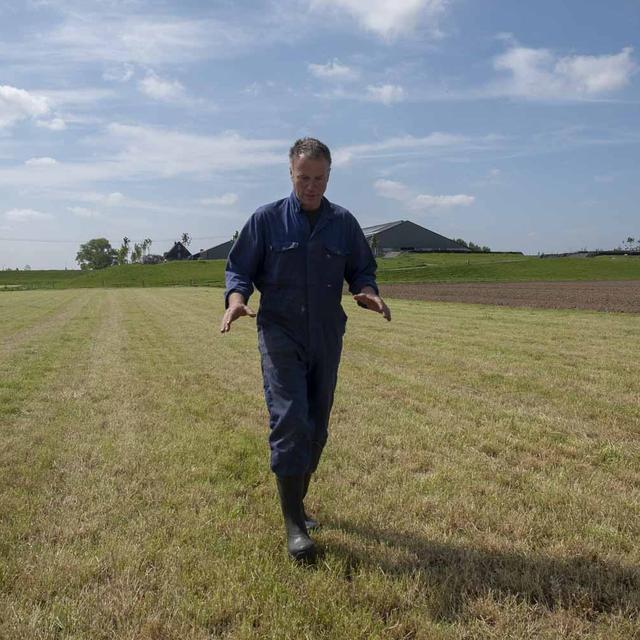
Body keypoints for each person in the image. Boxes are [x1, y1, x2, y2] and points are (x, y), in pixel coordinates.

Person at [220, 137, 391, 561]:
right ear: (291, 174)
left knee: (316, 425)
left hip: (326, 333)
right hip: (280, 332)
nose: (311, 186)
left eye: (319, 178)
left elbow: (361, 270)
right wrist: (236, 301)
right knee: (290, 417)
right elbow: (239, 269)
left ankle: (298, 504)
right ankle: (294, 524)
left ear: (329, 176)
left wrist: (368, 291)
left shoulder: (344, 224)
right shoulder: (266, 220)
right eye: (303, 178)